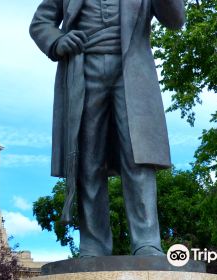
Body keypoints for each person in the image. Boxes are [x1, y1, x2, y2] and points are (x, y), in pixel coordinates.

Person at [29, 0, 185, 257]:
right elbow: (40, 23)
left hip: (132, 72)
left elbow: (175, 19)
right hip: (83, 69)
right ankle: (94, 244)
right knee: (88, 161)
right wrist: (57, 41)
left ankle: (147, 242)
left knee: (139, 158)